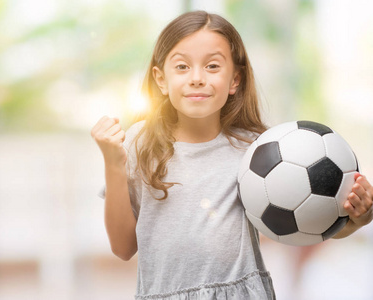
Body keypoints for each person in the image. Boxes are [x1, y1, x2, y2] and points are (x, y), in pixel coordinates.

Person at [91, 11, 373, 300]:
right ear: (161, 80)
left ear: (235, 80)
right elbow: (122, 248)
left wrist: (357, 220)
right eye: (182, 67)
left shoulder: (259, 151)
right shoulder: (140, 143)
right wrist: (113, 164)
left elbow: (304, 224)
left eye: (212, 66)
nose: (197, 78)